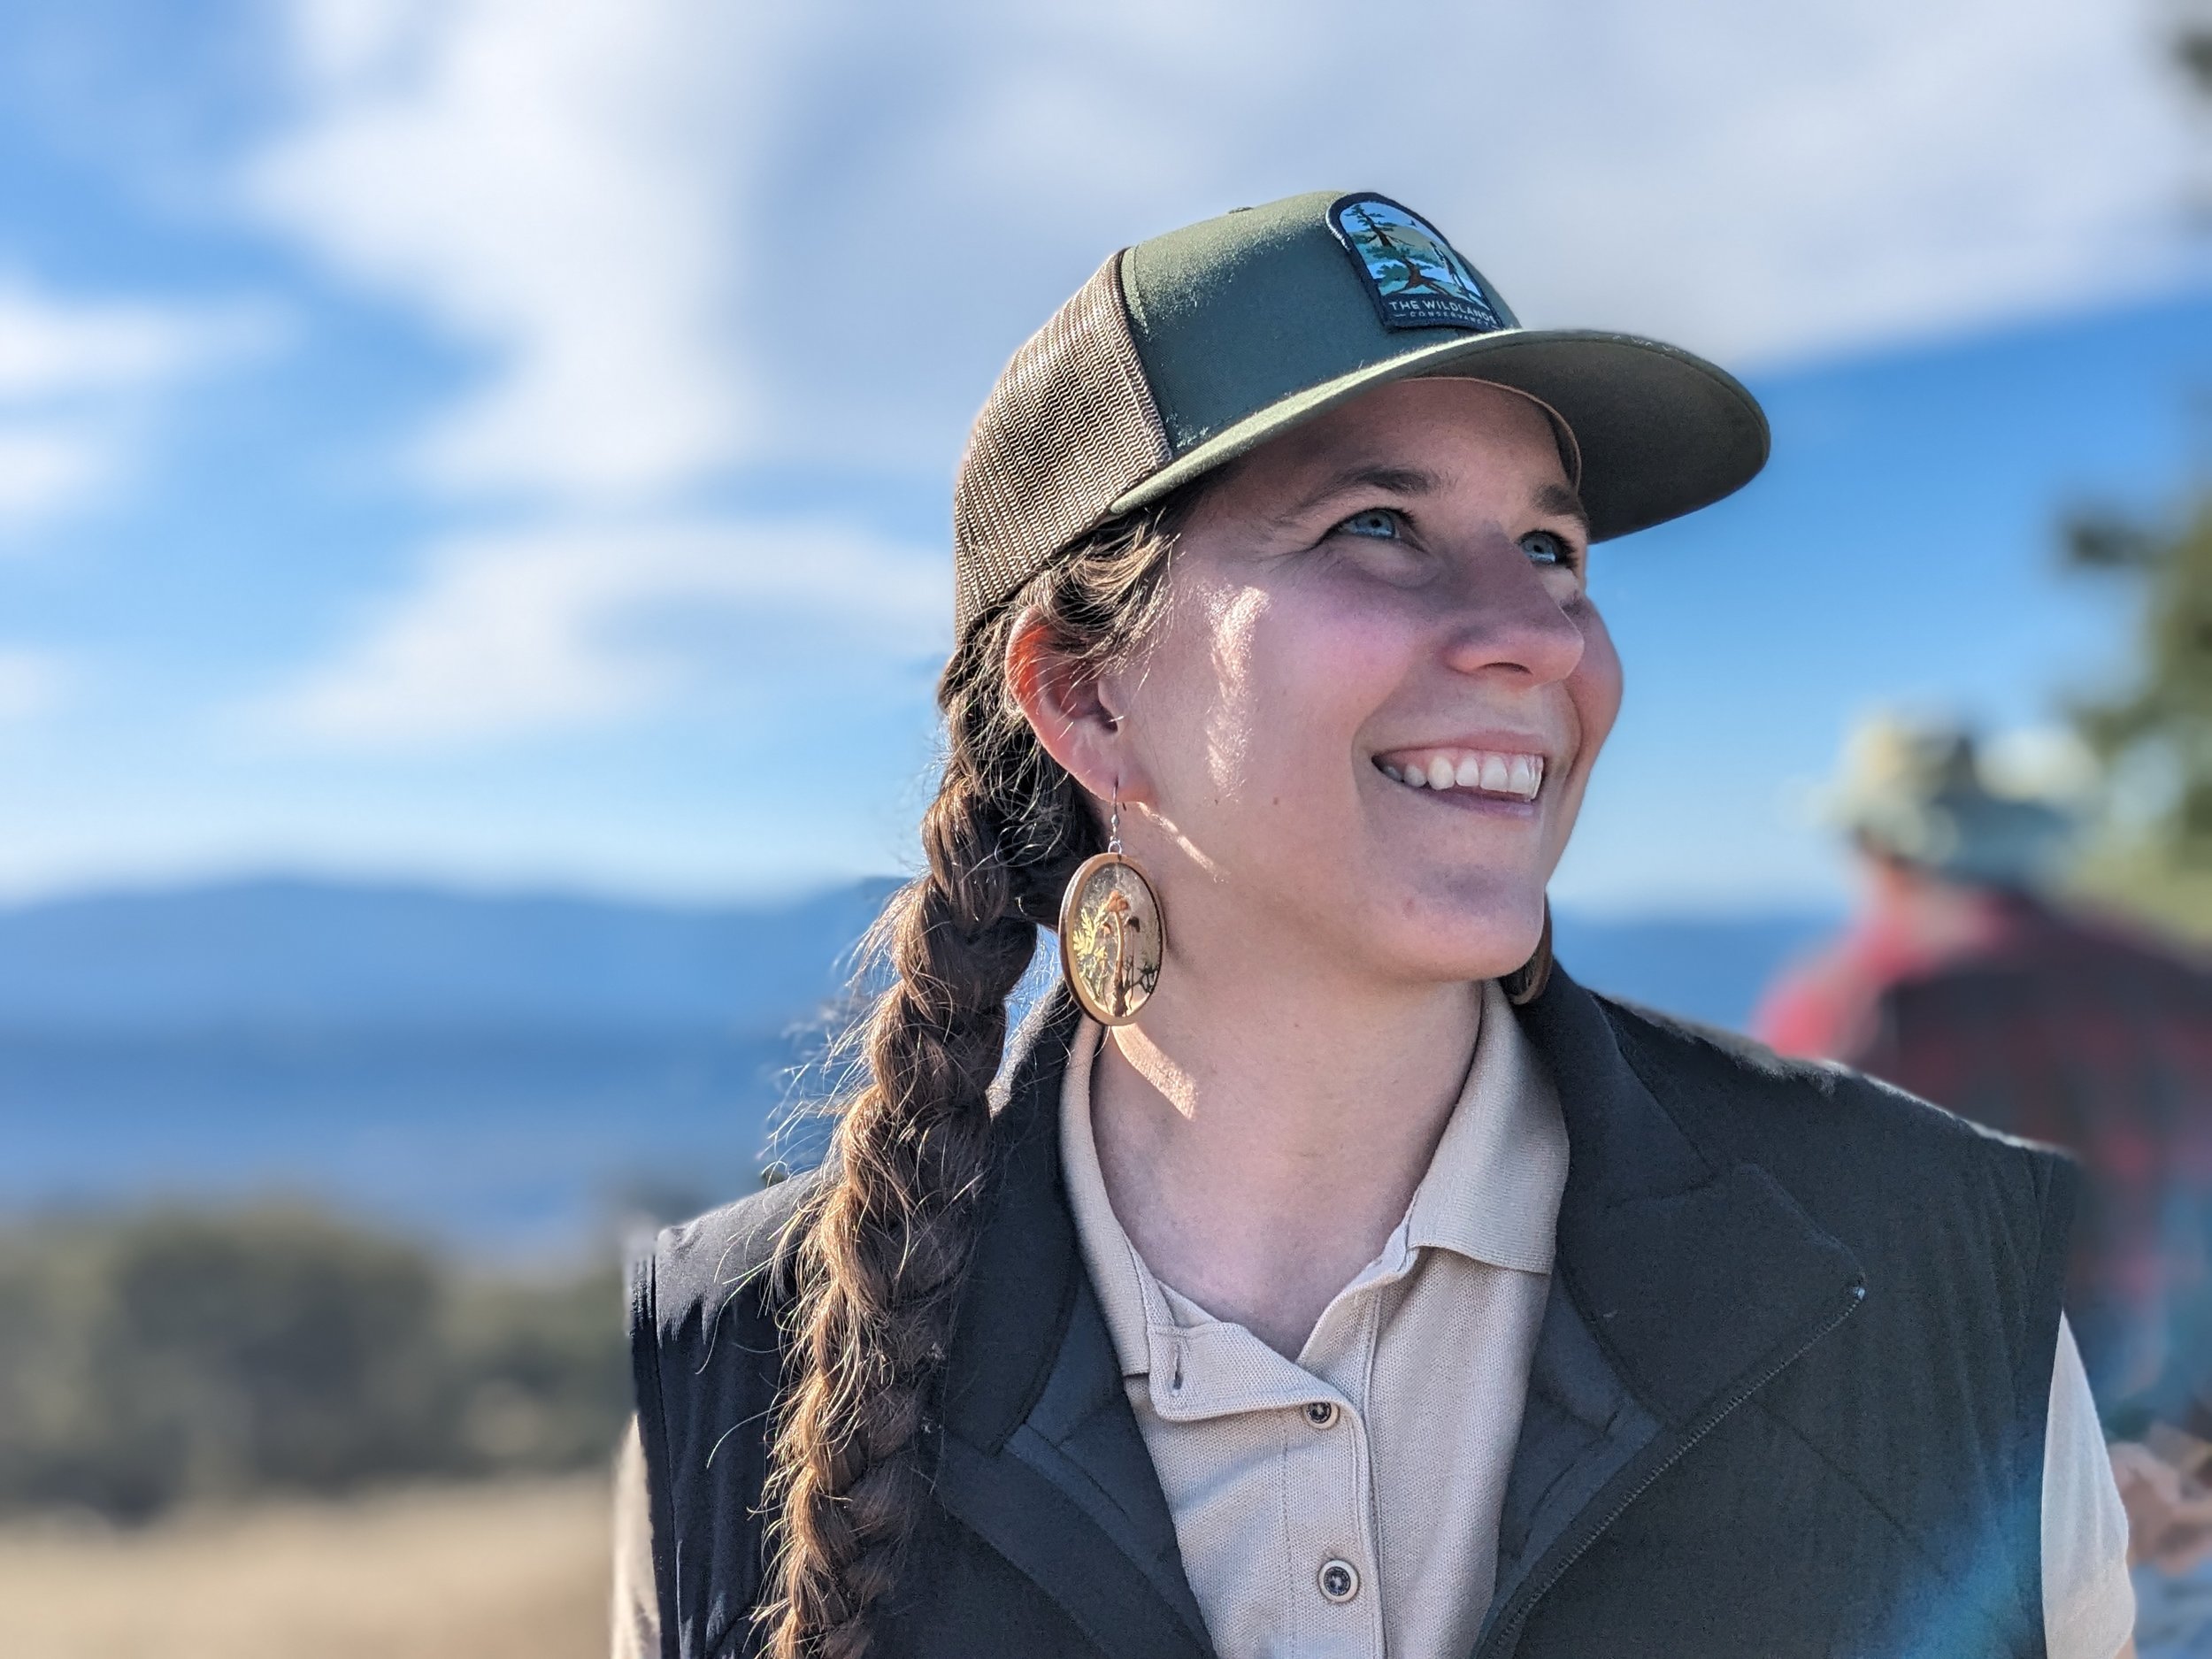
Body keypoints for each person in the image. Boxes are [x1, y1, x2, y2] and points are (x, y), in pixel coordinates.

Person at [618, 192, 2135, 1658]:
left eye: (1551, 547)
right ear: (1086, 696)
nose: (1537, 634)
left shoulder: (1925, 1267)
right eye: (1379, 525)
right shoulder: (740, 1370)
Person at [1758, 716, 2212, 1651]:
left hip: (1982, 1550)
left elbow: (1785, 1309)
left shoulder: (1866, 1003)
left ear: (1882, 849)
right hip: (2187, 1511)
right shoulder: (2177, 984)